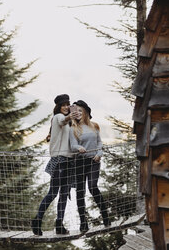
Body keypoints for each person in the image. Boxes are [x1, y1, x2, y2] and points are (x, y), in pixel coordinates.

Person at [31, 94, 76, 236]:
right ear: (58, 107)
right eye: (63, 105)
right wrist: (71, 115)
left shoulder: (69, 123)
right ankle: (37, 220)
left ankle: (59, 224)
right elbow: (63, 120)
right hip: (59, 160)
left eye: (67, 105)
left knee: (64, 195)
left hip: (68, 161)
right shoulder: (57, 118)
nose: (65, 107)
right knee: (52, 193)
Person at [69, 100, 111, 232]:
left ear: (86, 112)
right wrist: (79, 147)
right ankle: (83, 222)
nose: (79, 113)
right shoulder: (73, 128)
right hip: (80, 162)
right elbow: (72, 145)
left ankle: (105, 217)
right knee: (80, 192)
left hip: (94, 161)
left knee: (93, 187)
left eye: (81, 111)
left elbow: (99, 143)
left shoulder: (94, 126)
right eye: (76, 112)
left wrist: (99, 153)